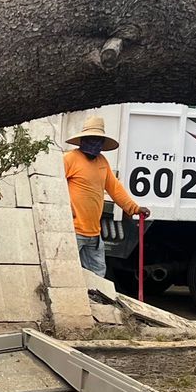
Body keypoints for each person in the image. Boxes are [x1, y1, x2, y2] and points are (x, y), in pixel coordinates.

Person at [63, 115, 145, 276]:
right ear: (83, 140)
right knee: (68, 272)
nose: (95, 143)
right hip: (73, 230)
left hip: (94, 232)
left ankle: (92, 300)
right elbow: (56, 187)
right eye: (91, 139)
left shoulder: (102, 162)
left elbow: (115, 189)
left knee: (98, 274)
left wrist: (134, 208)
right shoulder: (69, 159)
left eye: (98, 140)